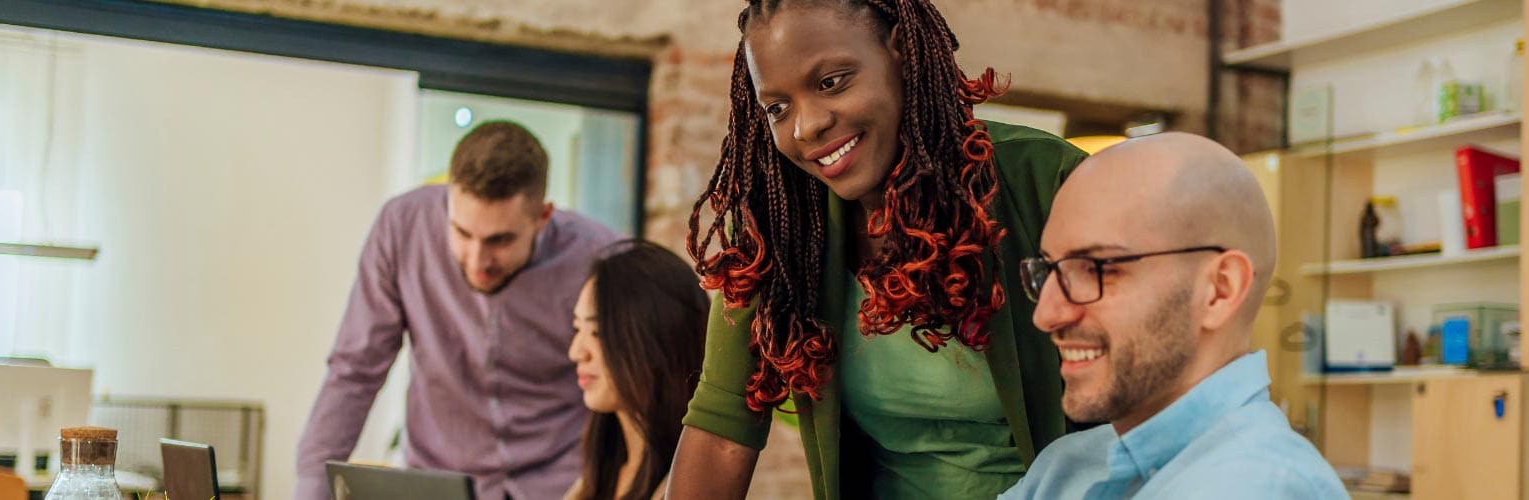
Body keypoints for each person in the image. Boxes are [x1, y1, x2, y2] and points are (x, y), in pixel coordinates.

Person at [670, 1, 1092, 498]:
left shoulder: (1049, 182)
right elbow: (720, 430)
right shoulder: (777, 233)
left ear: (900, 51)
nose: (807, 127)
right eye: (778, 109)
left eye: (831, 82)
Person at [1001, 132, 1348, 499]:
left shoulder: (1259, 485)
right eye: (1048, 271)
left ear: (1219, 290)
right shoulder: (1063, 468)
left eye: (1096, 268)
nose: (1046, 315)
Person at [295, 121, 621, 500]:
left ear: (543, 217)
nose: (477, 260)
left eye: (500, 240)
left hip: (562, 485)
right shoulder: (401, 228)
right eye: (462, 233)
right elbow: (354, 372)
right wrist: (310, 490)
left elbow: (630, 390)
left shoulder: (600, 258)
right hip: (437, 482)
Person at [564, 240, 709, 500]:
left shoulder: (684, 488)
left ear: (656, 341)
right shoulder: (597, 477)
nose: (576, 352)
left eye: (597, 332)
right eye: (577, 329)